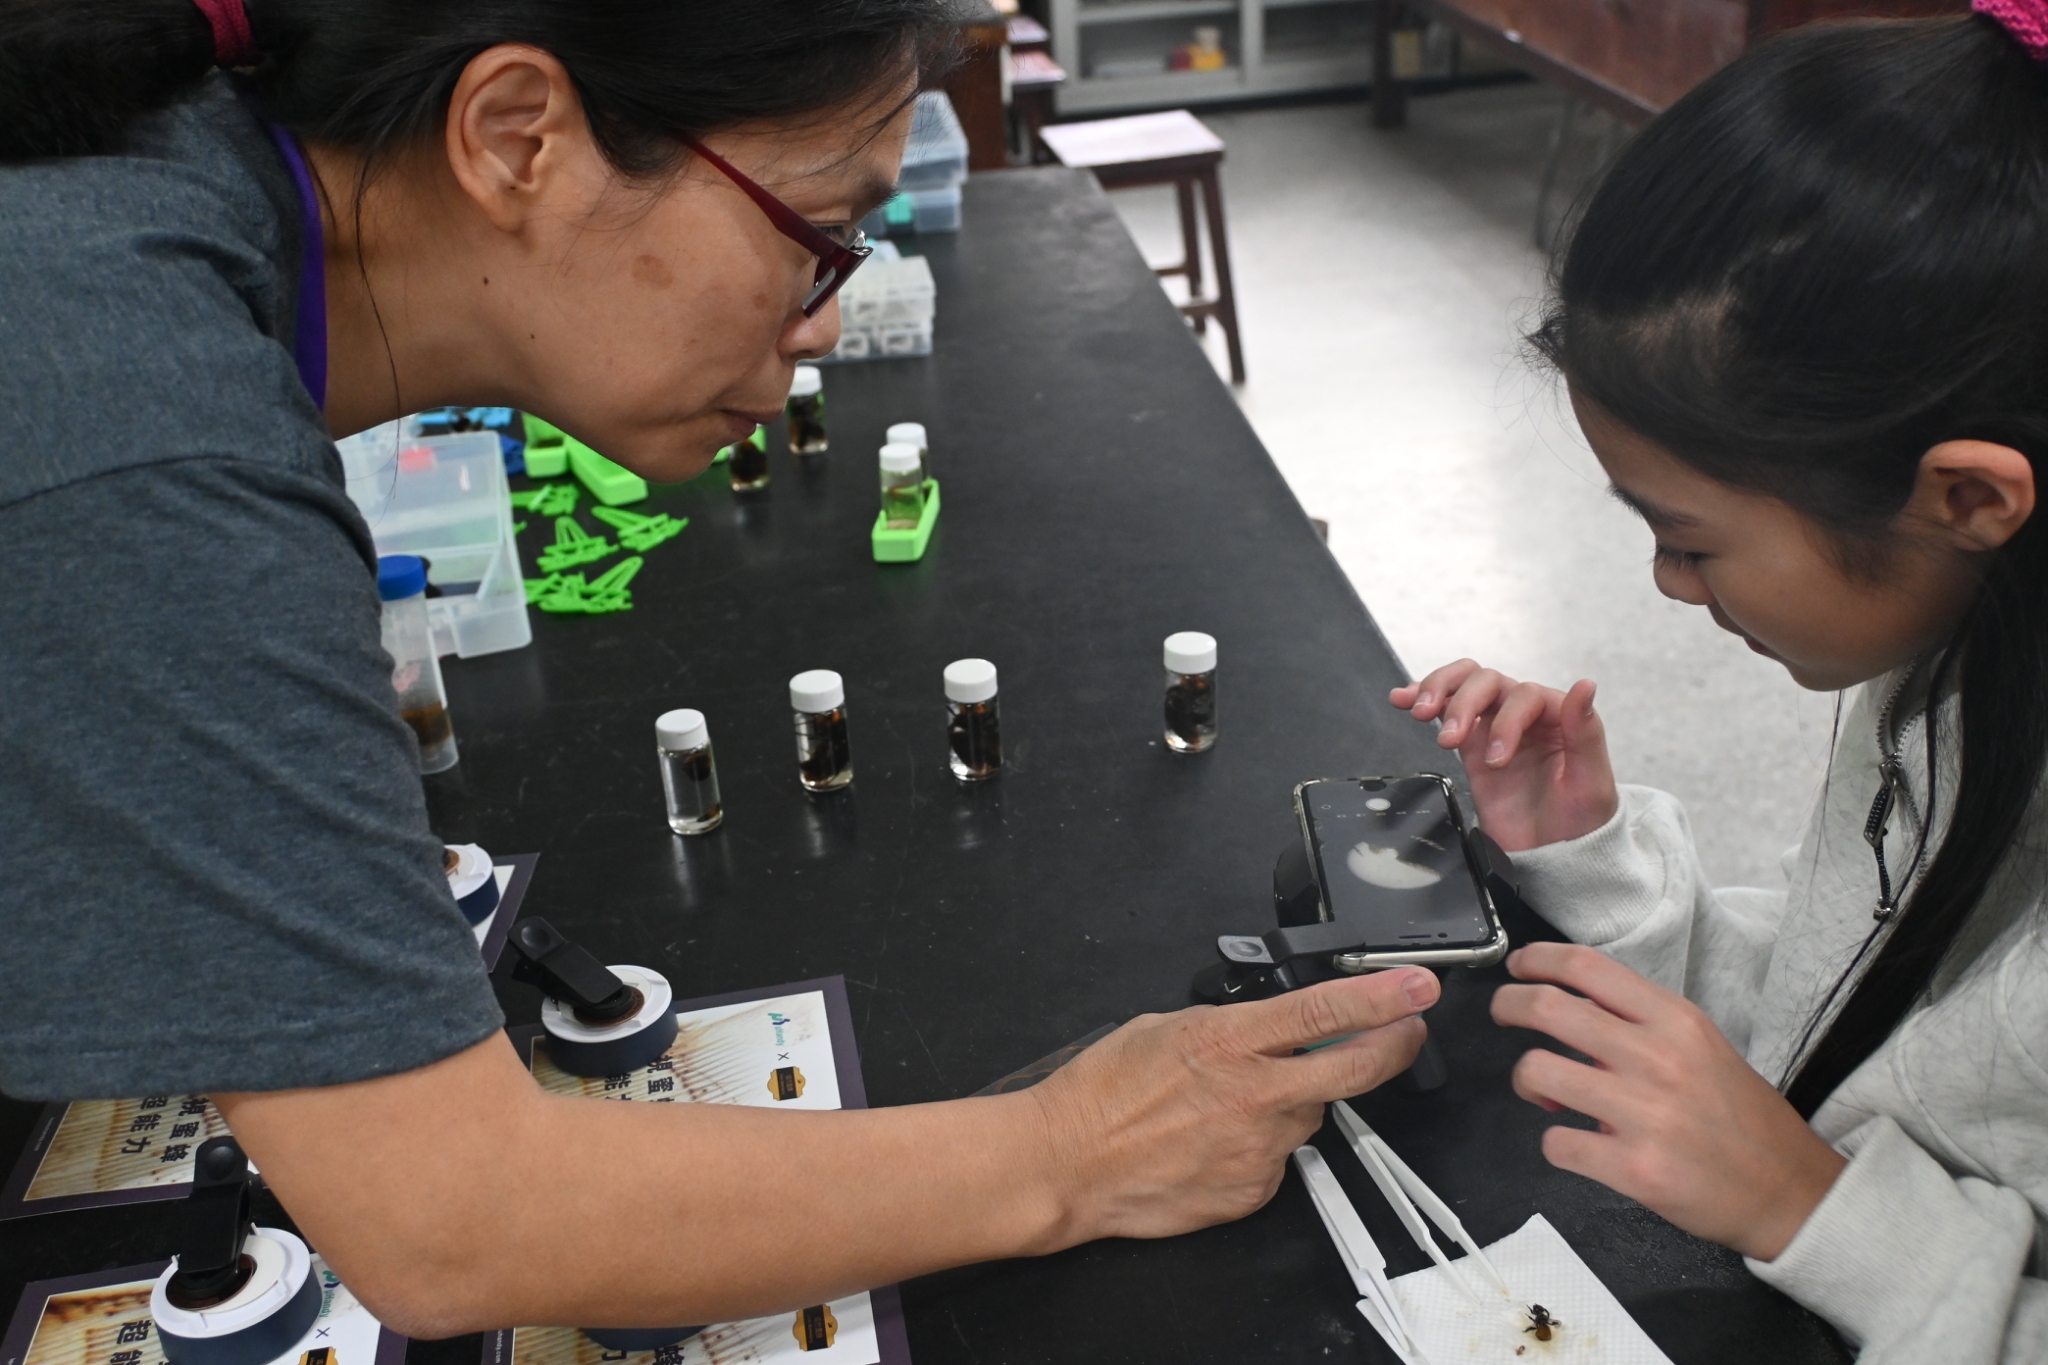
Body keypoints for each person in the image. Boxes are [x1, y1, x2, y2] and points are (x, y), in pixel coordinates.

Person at [0, 0, 1441, 1339]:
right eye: (822, 235)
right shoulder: (135, 421)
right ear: (518, 137)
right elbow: (453, 1217)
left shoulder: (154, 241)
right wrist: (1075, 1150)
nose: (825, 323)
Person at [1392, 9, 2048, 1361]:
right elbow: (1848, 1025)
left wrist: (1819, 1210)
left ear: (1970, 497)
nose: (1669, 586)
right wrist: (1604, 869)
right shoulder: (1954, 658)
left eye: (1689, 540)